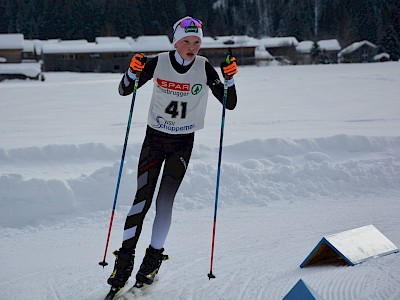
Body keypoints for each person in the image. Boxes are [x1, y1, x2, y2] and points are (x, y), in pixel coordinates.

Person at [107, 16, 238, 291]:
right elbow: (124, 90)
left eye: (197, 42)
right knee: (140, 201)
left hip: (182, 144)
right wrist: (131, 72)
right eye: (186, 41)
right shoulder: (158, 62)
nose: (192, 47)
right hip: (154, 140)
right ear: (175, 42)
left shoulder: (204, 67)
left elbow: (230, 104)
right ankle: (124, 263)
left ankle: (152, 261)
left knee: (164, 203)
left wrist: (229, 80)